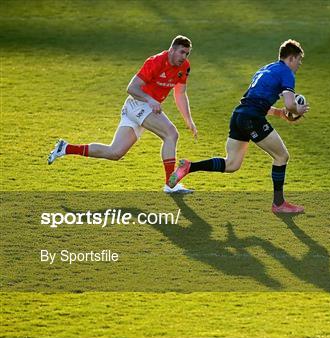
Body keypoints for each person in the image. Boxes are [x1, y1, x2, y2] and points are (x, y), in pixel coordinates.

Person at [168, 39, 309, 213]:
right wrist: (298, 109)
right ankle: (279, 204)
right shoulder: (287, 73)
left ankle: (189, 166)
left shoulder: (266, 69)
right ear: (292, 58)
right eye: (299, 60)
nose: (299, 64)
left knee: (232, 164)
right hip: (252, 118)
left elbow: (254, 100)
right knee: (282, 156)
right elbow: (290, 104)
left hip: (239, 115)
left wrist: (279, 113)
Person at [47, 35, 198, 193]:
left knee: (115, 152)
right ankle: (170, 184)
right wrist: (149, 99)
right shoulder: (155, 62)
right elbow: (131, 88)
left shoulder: (184, 67)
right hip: (138, 104)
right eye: (181, 52)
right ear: (172, 49)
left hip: (143, 108)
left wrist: (188, 120)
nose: (184, 57)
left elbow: (180, 93)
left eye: (187, 53)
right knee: (171, 134)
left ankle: (65, 148)